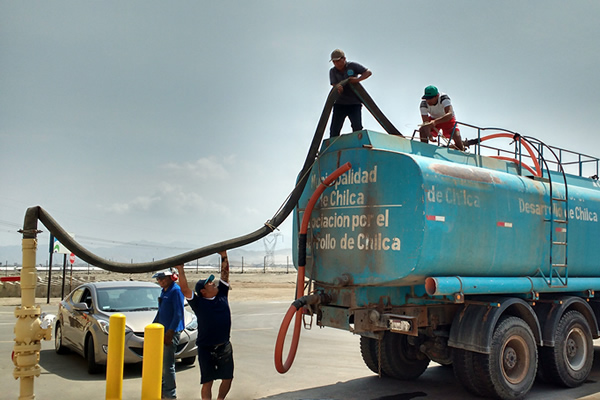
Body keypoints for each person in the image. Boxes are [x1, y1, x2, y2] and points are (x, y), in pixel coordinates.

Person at [175, 251, 232, 400]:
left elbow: (225, 275)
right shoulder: (198, 303)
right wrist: (180, 270)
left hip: (223, 345)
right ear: (203, 291)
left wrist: (224, 256)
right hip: (206, 347)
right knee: (208, 381)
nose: (214, 283)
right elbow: (185, 289)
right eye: (210, 283)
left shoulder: (222, 295)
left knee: (228, 377)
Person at [152, 268, 186, 400]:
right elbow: (161, 312)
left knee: (167, 364)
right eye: (158, 279)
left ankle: (169, 394)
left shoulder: (175, 291)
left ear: (171, 278)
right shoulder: (164, 291)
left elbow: (178, 314)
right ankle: (162, 389)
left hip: (171, 333)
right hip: (162, 331)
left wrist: (170, 333)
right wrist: (152, 326)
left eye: (162, 278)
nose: (159, 281)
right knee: (161, 364)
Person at [329, 48, 372, 137]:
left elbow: (368, 72)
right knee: (334, 129)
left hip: (354, 103)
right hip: (340, 104)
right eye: (334, 62)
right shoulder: (333, 71)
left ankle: (359, 145)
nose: (336, 64)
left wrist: (357, 80)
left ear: (344, 59)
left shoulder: (352, 66)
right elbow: (334, 85)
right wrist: (338, 88)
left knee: (357, 128)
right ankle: (333, 148)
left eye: (338, 61)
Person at [419, 85, 465, 151]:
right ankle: (423, 150)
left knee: (456, 135)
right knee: (422, 130)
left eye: (430, 98)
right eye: (426, 98)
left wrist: (435, 122)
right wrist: (429, 135)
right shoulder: (423, 104)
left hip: (447, 119)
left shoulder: (444, 98)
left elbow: (449, 114)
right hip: (433, 119)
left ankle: (461, 151)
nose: (428, 101)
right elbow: (425, 122)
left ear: (437, 96)